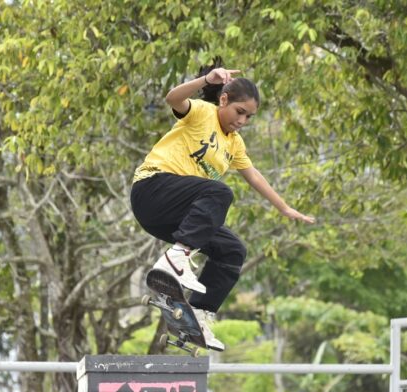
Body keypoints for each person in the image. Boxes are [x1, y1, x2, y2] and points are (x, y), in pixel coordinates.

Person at [130, 62, 315, 351]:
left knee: (232, 250)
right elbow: (172, 99)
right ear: (224, 100)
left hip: (173, 217)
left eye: (249, 117)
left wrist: (284, 208)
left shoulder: (235, 144)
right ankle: (176, 259)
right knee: (220, 193)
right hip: (152, 189)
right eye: (239, 112)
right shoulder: (202, 112)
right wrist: (205, 79)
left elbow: (253, 175)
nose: (242, 121)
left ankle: (198, 318)